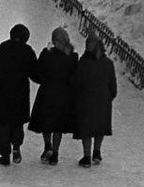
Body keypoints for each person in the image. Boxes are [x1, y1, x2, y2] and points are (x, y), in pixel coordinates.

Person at [29, 27, 77, 166]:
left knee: (46, 122)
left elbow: (38, 72)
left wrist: (43, 81)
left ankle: (47, 146)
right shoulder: (72, 57)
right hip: (64, 94)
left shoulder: (46, 54)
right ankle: (55, 152)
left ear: (55, 40)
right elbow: (74, 76)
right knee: (58, 125)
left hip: (47, 92)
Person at [70, 34, 116, 168]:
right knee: (99, 127)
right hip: (103, 100)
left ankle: (86, 156)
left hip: (85, 99)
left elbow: (76, 82)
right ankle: (97, 152)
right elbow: (112, 85)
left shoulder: (83, 63)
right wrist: (109, 96)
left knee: (86, 128)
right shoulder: (108, 63)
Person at [0, 23, 37, 166]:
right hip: (20, 93)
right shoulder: (27, 51)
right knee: (17, 122)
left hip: (2, 92)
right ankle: (16, 147)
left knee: (3, 123)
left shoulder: (2, 48)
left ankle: (4, 154)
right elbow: (35, 74)